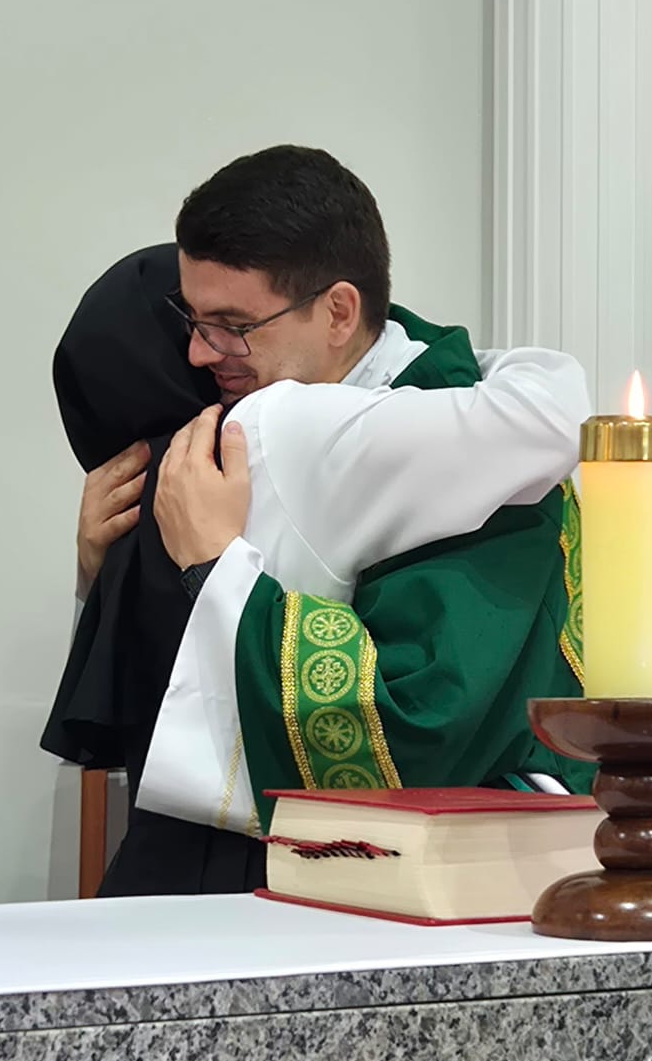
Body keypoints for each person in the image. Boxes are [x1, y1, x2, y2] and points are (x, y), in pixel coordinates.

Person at [45, 146, 591, 892]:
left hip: (355, 860)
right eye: (192, 319)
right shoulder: (428, 391)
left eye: (233, 324)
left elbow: (551, 417)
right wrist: (109, 565)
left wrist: (213, 568)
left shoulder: (279, 420)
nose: (200, 354)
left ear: (338, 311)